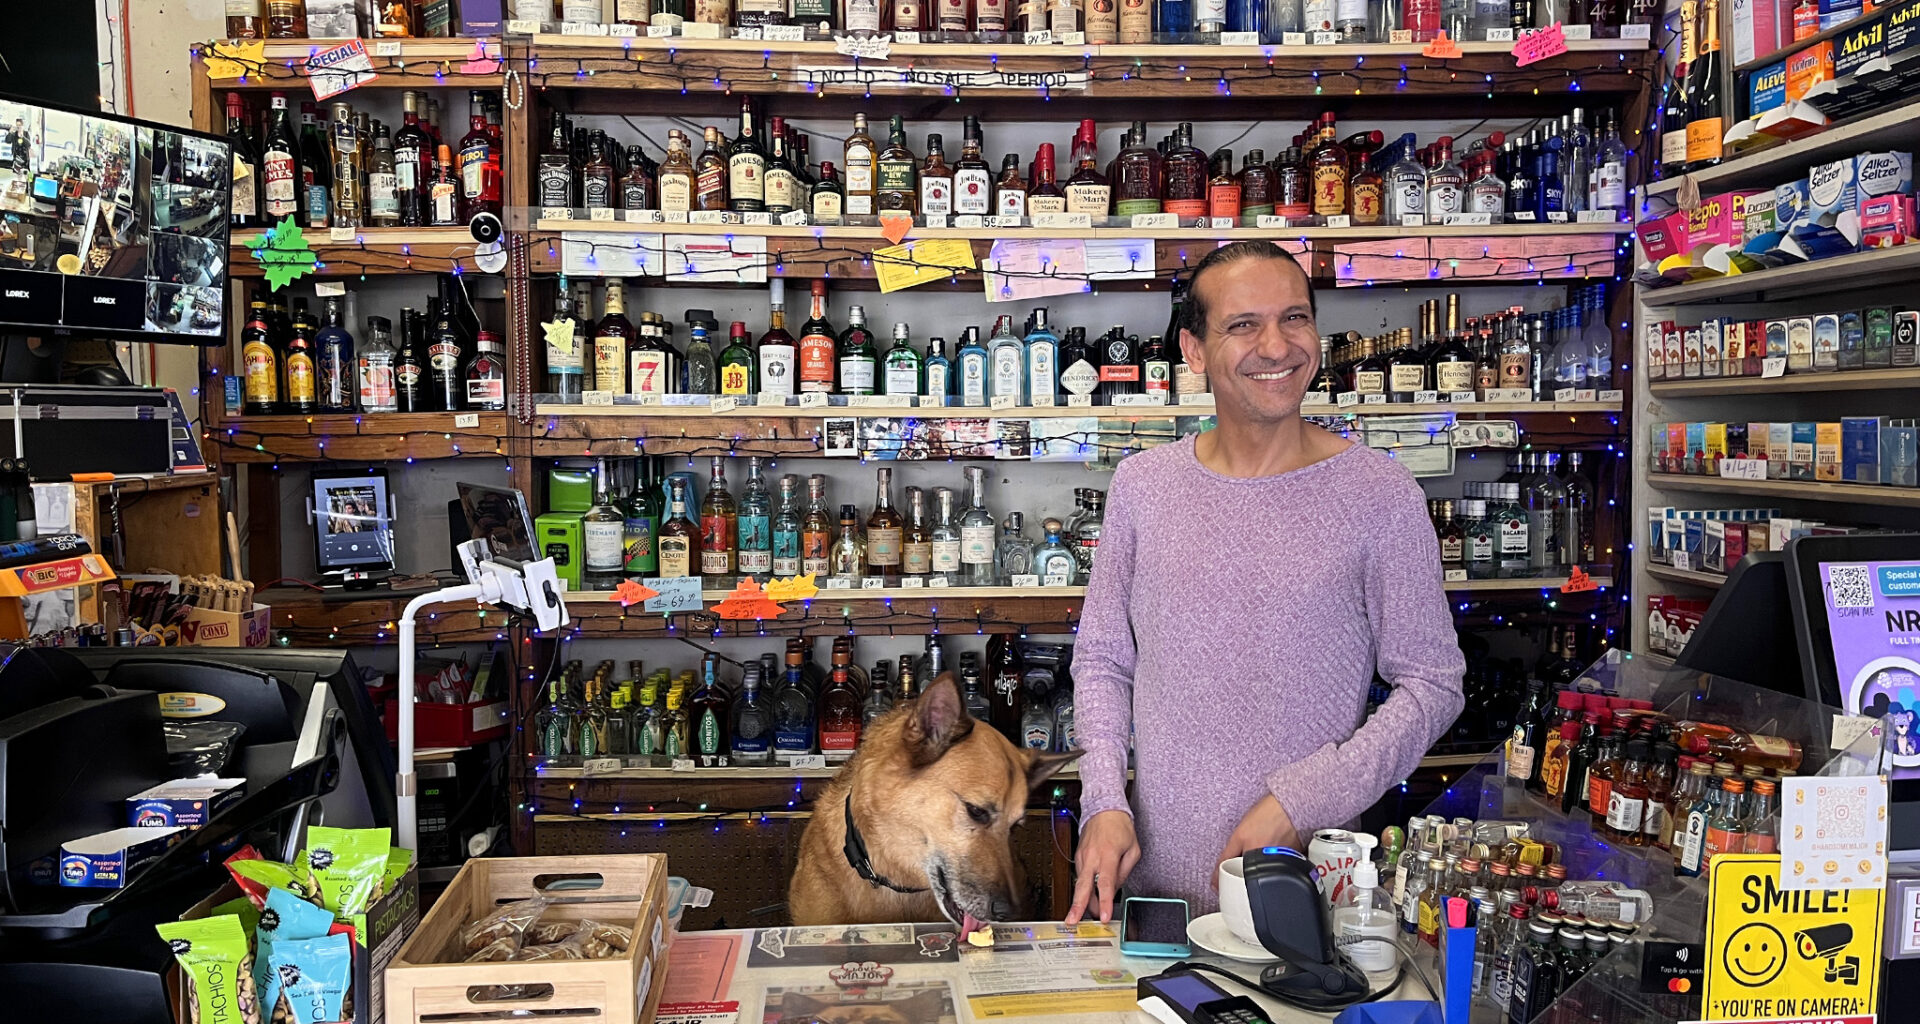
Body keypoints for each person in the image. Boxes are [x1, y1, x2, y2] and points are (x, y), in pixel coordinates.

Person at [1064, 240, 1466, 924]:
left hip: (1311, 899)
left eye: (1295, 319)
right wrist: (1104, 800)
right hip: (1154, 895)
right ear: (1194, 351)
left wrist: (1299, 801)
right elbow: (1103, 660)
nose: (1277, 347)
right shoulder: (1143, 486)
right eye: (1243, 325)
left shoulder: (1380, 493)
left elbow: (1433, 684)